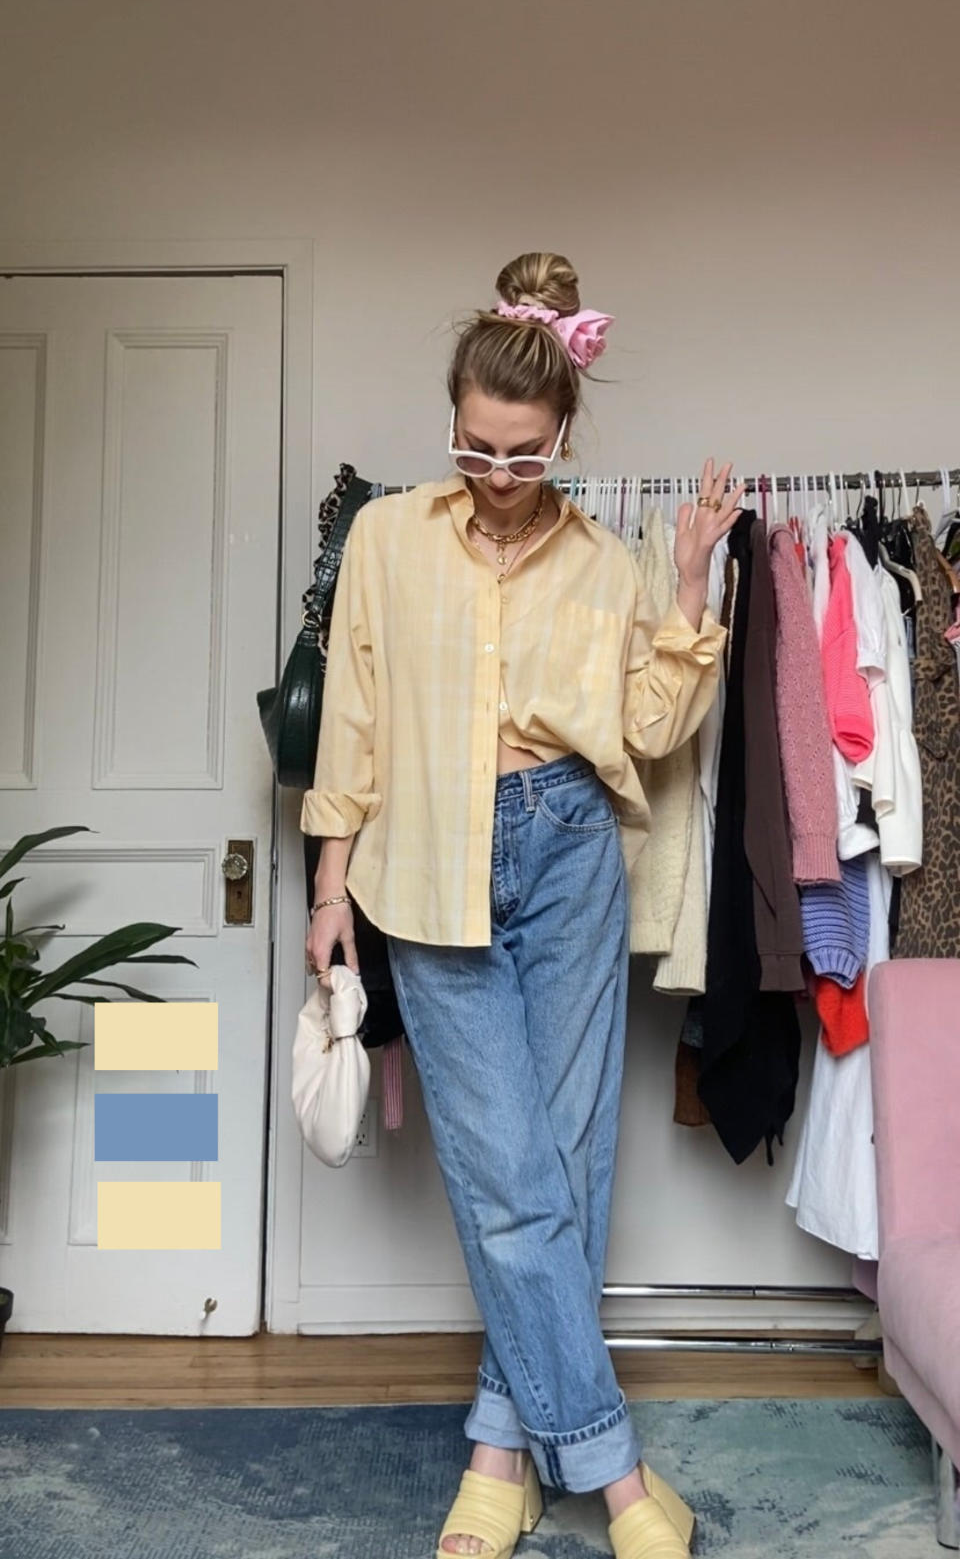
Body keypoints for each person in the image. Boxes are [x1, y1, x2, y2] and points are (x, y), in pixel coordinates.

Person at [302, 251, 743, 1559]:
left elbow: (654, 728)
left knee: (565, 1166)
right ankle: (614, 1474)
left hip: (566, 860)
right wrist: (331, 884)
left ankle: (501, 1451)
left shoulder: (606, 563)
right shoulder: (386, 539)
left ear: (564, 432)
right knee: (509, 1184)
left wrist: (690, 588)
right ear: (454, 422)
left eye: (525, 454)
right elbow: (354, 719)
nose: (498, 474)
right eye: (477, 447)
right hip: (427, 864)